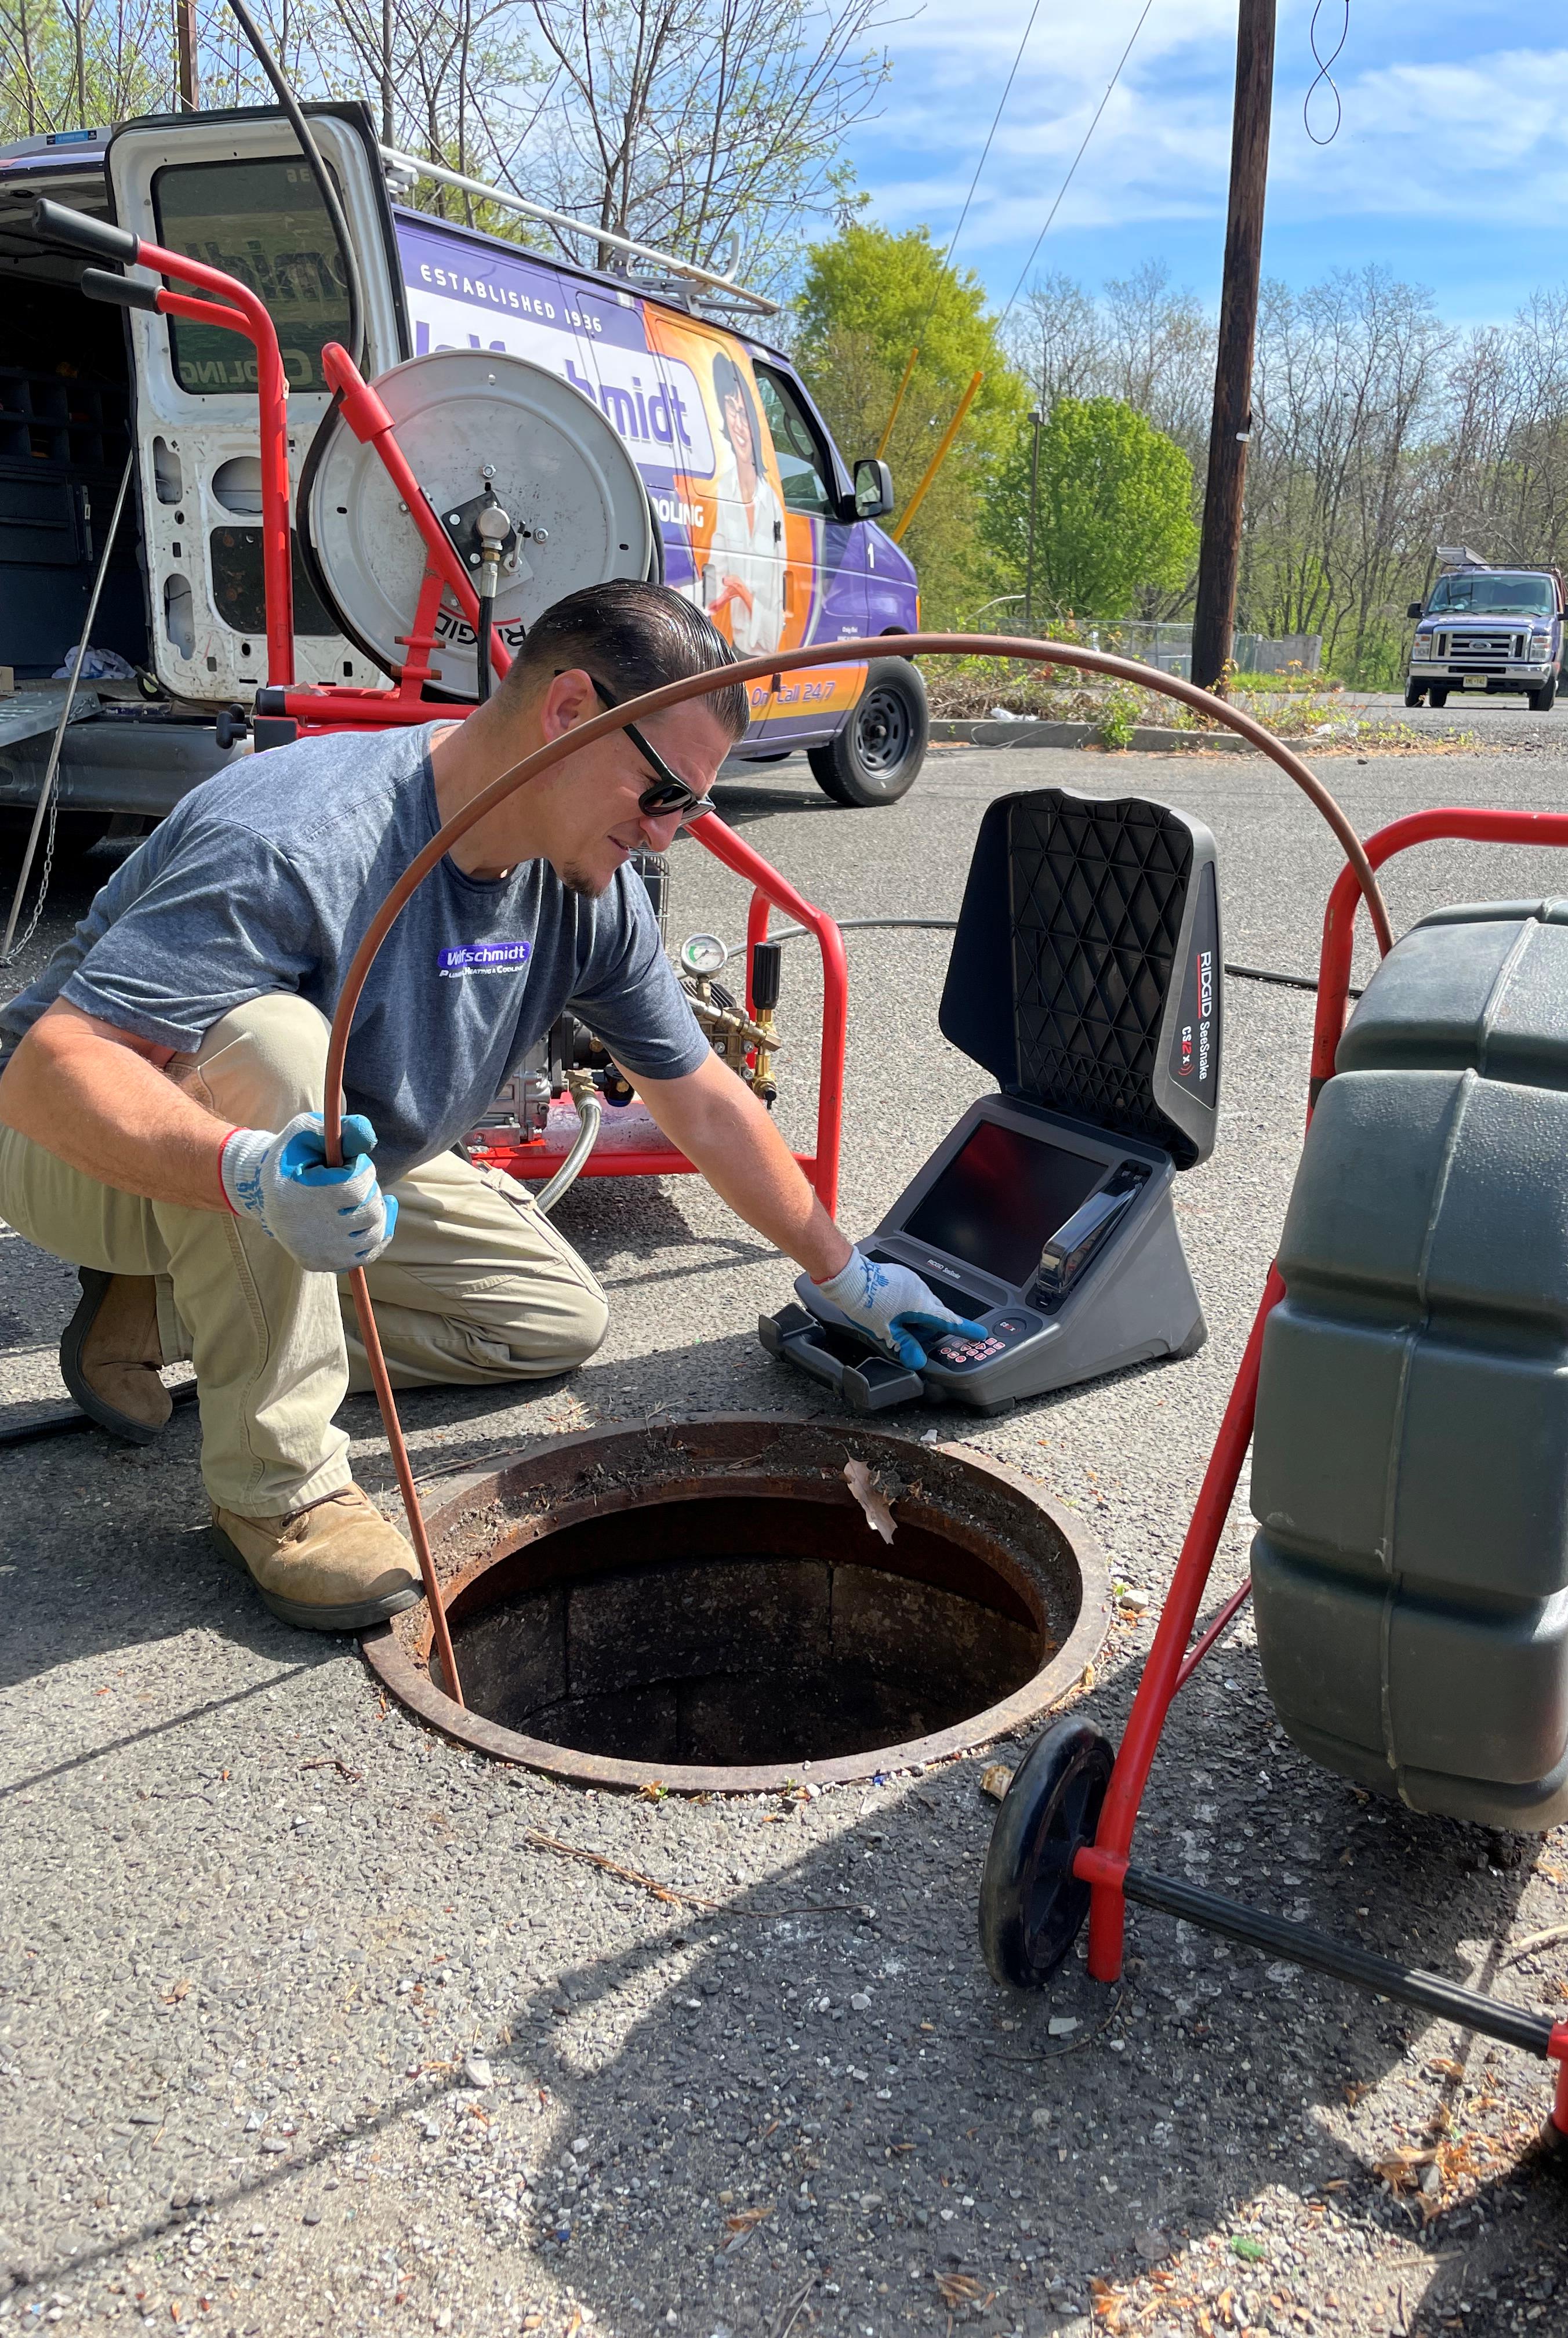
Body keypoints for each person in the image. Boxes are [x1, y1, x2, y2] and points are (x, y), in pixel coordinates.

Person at [0, 582, 977, 1634]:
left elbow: (694, 1091)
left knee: (547, 1319)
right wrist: (245, 1175)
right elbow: (52, 1069)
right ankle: (282, 1493)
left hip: (317, 1172)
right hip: (82, 1144)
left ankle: (164, 1303)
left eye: (694, 809)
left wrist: (844, 1273)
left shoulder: (583, 884)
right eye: (665, 796)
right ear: (568, 711)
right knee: (280, 1048)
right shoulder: (304, 833)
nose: (671, 835)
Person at [698, 354, 786, 655]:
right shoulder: (725, 489)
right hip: (736, 652)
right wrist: (677, 597)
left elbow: (776, 621)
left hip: (762, 657)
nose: (738, 423)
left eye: (743, 412)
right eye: (731, 410)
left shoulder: (772, 503)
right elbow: (715, 578)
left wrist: (744, 594)